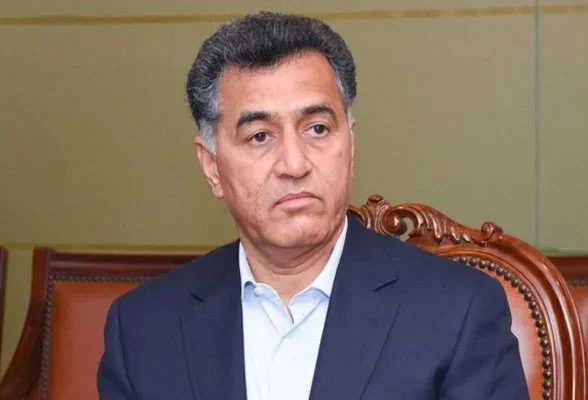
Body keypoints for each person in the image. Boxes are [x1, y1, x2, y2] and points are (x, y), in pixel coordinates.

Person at [97, 11, 528, 400]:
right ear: (211, 166)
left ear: (350, 145)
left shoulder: (457, 312)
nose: (294, 164)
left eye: (317, 128)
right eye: (260, 136)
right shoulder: (143, 329)